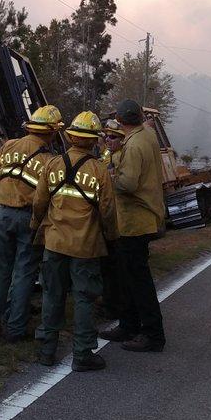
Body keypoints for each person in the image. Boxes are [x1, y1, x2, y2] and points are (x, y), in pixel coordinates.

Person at [32, 111, 118, 371]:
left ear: (70, 137)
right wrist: (111, 237)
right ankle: (82, 355)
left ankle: (46, 351)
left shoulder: (52, 164)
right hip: (85, 246)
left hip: (54, 243)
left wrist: (35, 227)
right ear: (93, 140)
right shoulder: (99, 170)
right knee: (83, 297)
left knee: (52, 295)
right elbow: (108, 210)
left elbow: (39, 203)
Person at [0, 104, 63, 343]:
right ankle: (16, 329)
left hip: (1, 215)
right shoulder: (50, 160)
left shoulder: (8, 146)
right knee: (24, 273)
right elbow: (48, 196)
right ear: (52, 131)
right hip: (28, 219)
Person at [101, 99, 167, 352]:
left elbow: (127, 184)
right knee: (128, 277)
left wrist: (108, 179)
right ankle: (128, 325)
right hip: (142, 216)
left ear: (120, 120)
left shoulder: (134, 144)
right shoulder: (147, 134)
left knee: (138, 280)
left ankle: (152, 334)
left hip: (134, 219)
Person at [98, 119, 125, 320]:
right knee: (107, 265)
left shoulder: (123, 157)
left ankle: (115, 306)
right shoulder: (107, 155)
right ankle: (109, 303)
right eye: (106, 136)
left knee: (115, 266)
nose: (108, 139)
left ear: (122, 139)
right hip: (108, 216)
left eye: (113, 137)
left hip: (119, 219)